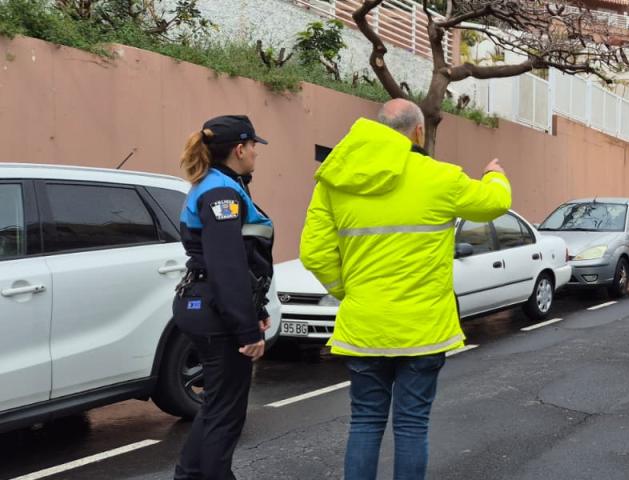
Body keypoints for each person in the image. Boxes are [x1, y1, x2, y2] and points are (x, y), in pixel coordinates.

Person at [300, 99, 511, 480]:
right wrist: (493, 174)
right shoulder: (439, 176)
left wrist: (348, 291)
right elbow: (496, 202)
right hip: (422, 330)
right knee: (411, 426)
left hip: (365, 327)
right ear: (417, 132)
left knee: (365, 422)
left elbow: (313, 253)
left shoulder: (335, 178)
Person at [172, 115, 274, 480]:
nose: (256, 155)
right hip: (215, 311)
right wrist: (247, 331)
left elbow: (241, 263)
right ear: (239, 149)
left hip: (205, 305)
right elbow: (227, 267)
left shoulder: (222, 184)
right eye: (254, 148)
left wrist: (256, 309)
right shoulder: (221, 194)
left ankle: (188, 475)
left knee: (217, 406)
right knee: (226, 414)